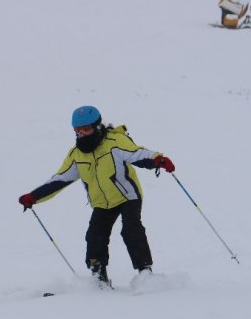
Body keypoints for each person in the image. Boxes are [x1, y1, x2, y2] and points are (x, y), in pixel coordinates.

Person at [18, 106, 175, 286]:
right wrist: (34, 196)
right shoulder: (76, 154)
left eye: (86, 129)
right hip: (102, 202)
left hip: (127, 195)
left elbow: (136, 153)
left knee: (131, 229)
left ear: (97, 126)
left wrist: (157, 159)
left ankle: (145, 272)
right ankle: (99, 277)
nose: (82, 134)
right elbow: (60, 179)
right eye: (78, 130)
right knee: (94, 236)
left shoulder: (115, 141)